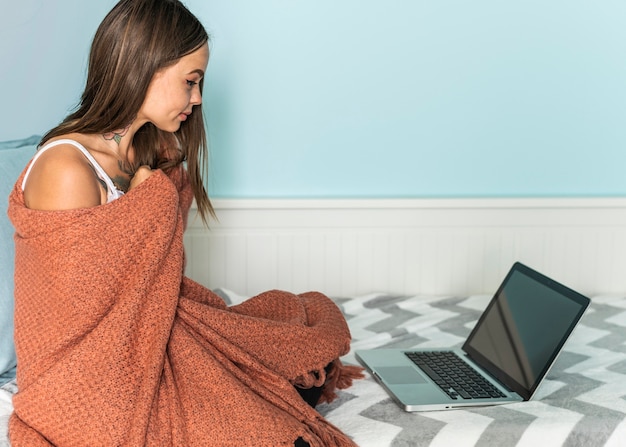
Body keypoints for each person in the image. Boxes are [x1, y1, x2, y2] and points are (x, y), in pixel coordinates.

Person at [8, 1, 362, 446]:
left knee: (300, 333)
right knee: (270, 423)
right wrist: (149, 197)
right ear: (144, 67)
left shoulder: (147, 153)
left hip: (150, 335)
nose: (197, 99)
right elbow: (87, 321)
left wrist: (155, 185)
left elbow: (157, 281)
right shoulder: (65, 168)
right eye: (190, 82)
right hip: (88, 377)